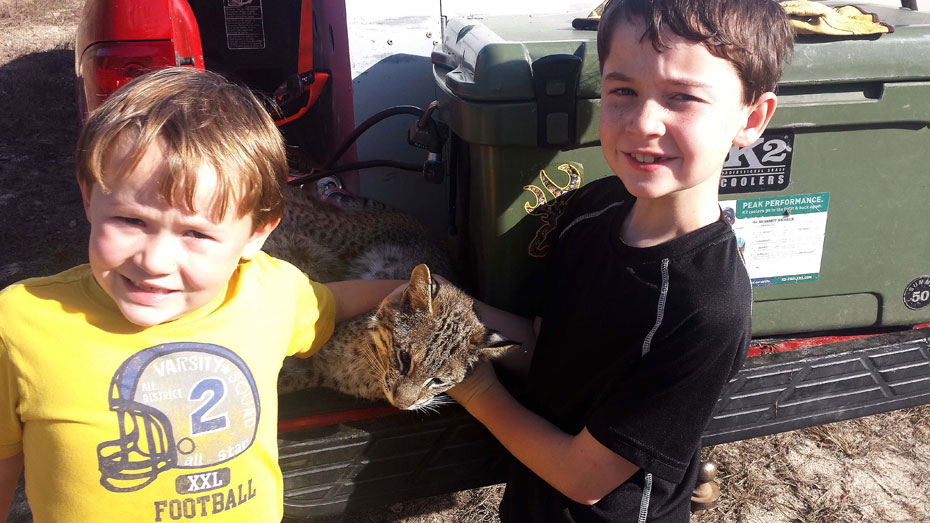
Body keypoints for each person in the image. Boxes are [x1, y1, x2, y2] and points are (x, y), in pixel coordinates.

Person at [0, 67, 404, 522]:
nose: (154, 261)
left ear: (256, 234)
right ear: (89, 197)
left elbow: (335, 301)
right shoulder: (19, 325)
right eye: (132, 221)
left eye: (196, 233)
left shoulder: (269, 292)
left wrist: (409, 290)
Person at [447, 0, 795, 520]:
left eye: (682, 97)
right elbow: (546, 346)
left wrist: (468, 384)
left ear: (752, 118)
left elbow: (584, 478)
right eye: (623, 91)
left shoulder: (708, 308)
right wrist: (445, 310)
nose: (642, 123)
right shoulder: (594, 206)